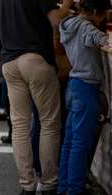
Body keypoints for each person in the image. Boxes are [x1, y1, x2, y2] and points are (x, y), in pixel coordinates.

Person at [0, 0, 74, 194]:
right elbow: (56, 20)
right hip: (37, 58)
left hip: (10, 62)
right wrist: (67, 6)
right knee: (49, 124)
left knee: (19, 126)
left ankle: (26, 185)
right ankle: (48, 184)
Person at [58, 0, 110, 194]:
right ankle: (75, 189)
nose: (104, 18)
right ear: (96, 11)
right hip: (87, 86)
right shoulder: (86, 26)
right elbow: (102, 40)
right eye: (103, 14)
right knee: (81, 143)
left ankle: (63, 187)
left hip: (74, 85)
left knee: (70, 141)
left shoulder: (68, 23)